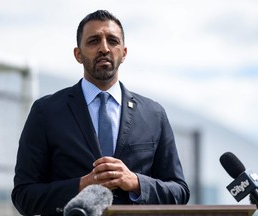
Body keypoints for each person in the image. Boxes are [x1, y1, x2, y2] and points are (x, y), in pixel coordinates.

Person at [11, 10, 190, 216]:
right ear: (78, 54)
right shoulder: (46, 111)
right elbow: (23, 195)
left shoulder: (154, 114)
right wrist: (82, 185)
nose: (104, 48)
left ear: (124, 53)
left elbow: (180, 192)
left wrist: (136, 183)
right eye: (94, 41)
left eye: (112, 41)